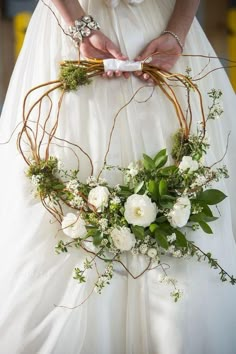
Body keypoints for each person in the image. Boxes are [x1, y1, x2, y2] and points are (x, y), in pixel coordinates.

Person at [0, 0, 236, 353]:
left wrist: (178, 29)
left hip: (160, 31)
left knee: (186, 191)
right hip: (70, 30)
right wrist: (77, 24)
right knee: (60, 205)